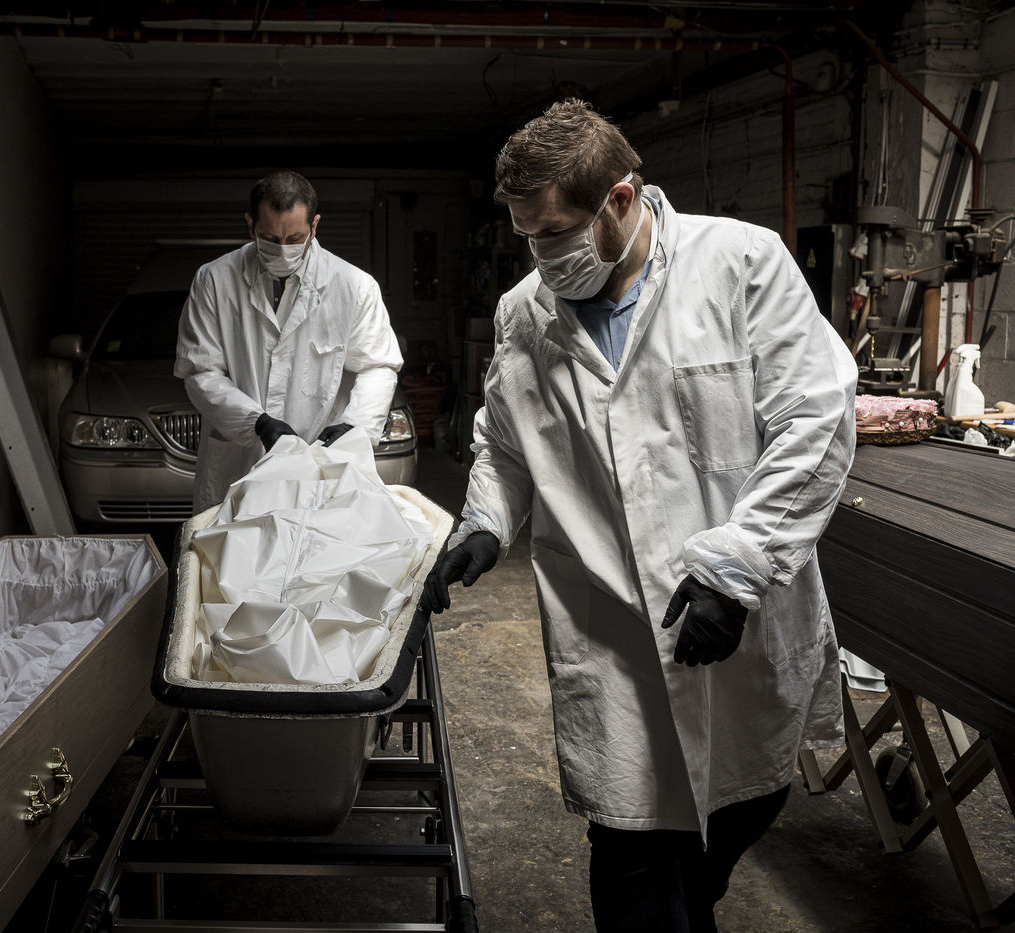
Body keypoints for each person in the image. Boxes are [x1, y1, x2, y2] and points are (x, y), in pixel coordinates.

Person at [419, 99, 857, 932]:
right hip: (612, 628)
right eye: (526, 236)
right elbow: (507, 445)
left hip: (731, 623)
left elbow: (817, 422)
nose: (541, 256)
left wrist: (737, 567)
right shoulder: (524, 313)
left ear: (619, 199)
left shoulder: (740, 265)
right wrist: (483, 523)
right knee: (631, 851)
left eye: (555, 233)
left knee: (736, 812)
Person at [175, 170, 403, 511]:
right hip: (241, 460)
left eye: (295, 238)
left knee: (318, 538)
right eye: (270, 238)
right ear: (250, 224)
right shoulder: (214, 280)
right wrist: (256, 422)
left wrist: (355, 424)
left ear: (314, 226)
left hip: (321, 462)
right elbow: (200, 371)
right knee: (233, 539)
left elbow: (378, 366)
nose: (283, 250)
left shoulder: (354, 286)